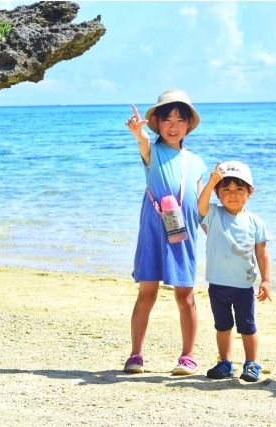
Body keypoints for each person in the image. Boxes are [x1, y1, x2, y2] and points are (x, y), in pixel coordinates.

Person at [123, 89, 207, 375]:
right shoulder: (153, 151)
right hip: (154, 226)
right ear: (157, 123)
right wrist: (138, 133)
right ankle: (135, 354)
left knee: (186, 295)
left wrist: (213, 230)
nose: (173, 125)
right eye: (167, 119)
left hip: (184, 231)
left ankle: (188, 355)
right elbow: (143, 143)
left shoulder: (196, 162)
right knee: (147, 292)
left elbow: (200, 204)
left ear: (188, 125)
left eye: (180, 120)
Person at [198, 160, 271, 382]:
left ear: (250, 191)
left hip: (243, 286)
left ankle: (251, 363)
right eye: (226, 189)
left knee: (247, 326)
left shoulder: (255, 221)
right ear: (218, 193)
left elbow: (262, 253)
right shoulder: (213, 214)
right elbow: (199, 206)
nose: (232, 194)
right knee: (222, 326)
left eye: (240, 189)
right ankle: (225, 362)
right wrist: (211, 182)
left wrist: (266, 280)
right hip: (218, 284)